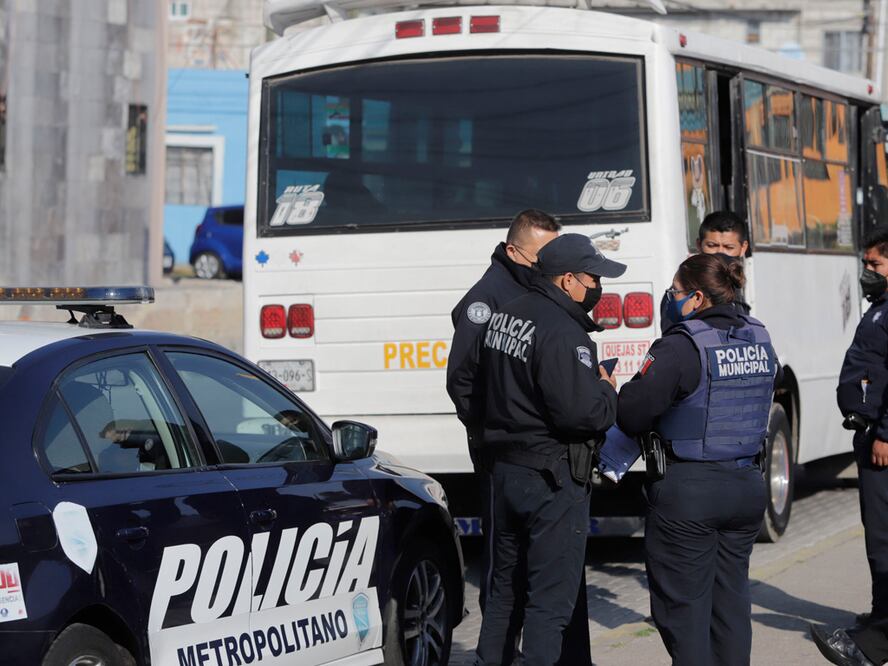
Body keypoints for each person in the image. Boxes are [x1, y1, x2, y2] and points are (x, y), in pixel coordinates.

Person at [618, 253, 779, 666]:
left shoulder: (681, 345)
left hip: (690, 491)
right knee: (731, 605)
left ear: (696, 298)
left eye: (674, 292)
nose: (669, 298)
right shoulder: (759, 337)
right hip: (746, 486)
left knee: (684, 613)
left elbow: (633, 412)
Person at [473, 233, 624, 666]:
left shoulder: (506, 315)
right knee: (550, 604)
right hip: (551, 480)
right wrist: (606, 390)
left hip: (506, 474)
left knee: (503, 594)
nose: (598, 288)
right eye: (593, 279)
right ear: (567, 280)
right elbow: (582, 415)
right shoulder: (564, 332)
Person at [828, 225, 888, 664]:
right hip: (870, 435)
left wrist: (885, 433)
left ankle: (876, 643)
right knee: (878, 539)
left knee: (884, 541)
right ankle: (880, 617)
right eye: (865, 262)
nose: (867, 270)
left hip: (882, 442)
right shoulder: (880, 307)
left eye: (875, 263)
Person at [660, 210, 751, 333]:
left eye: (728, 247)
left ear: (743, 248)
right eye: (712, 245)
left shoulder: (738, 289)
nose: (720, 252)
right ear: (699, 245)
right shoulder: (680, 291)